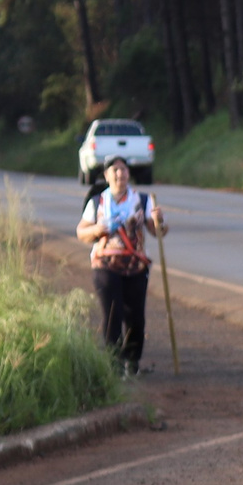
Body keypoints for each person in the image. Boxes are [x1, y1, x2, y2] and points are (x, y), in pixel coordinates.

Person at [75, 157, 164, 371]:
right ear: (106, 176)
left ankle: (132, 362)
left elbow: (157, 232)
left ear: (128, 174)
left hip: (136, 266)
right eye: (114, 170)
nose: (119, 174)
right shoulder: (97, 202)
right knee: (112, 315)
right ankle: (112, 363)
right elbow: (81, 232)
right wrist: (97, 230)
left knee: (136, 317)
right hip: (105, 265)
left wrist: (159, 221)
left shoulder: (142, 200)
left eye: (123, 169)